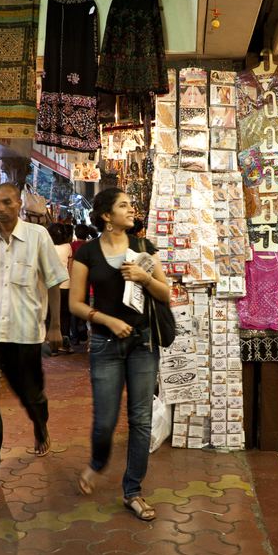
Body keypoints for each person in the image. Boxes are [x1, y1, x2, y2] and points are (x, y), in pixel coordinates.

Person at [69, 188, 171, 521]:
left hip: (143, 343)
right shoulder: (87, 254)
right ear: (105, 216)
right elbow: (76, 304)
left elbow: (165, 294)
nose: (131, 209)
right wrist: (108, 321)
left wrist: (145, 277)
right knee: (105, 421)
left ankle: (133, 491)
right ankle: (97, 463)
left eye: (131, 204)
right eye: (123, 205)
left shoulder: (143, 248)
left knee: (140, 420)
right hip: (105, 345)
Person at [0, 183, 69, 497]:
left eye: (6, 202)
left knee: (30, 394)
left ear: (19, 203)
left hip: (25, 332)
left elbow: (53, 281)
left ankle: (40, 424)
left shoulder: (38, 237)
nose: (0, 207)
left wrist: (55, 327)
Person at [47, 223, 73, 354]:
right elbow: (70, 267)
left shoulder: (47, 247)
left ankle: (52, 346)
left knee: (50, 314)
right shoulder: (67, 247)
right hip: (65, 284)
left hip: (50, 285)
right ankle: (65, 344)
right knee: (65, 315)